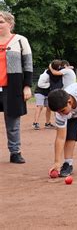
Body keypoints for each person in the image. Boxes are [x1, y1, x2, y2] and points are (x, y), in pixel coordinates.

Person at [0, 11, 33, 163]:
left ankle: (15, 152)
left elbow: (28, 65)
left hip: (12, 88)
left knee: (13, 122)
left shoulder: (20, 40)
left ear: (10, 24)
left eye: (1, 22)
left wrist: (27, 86)